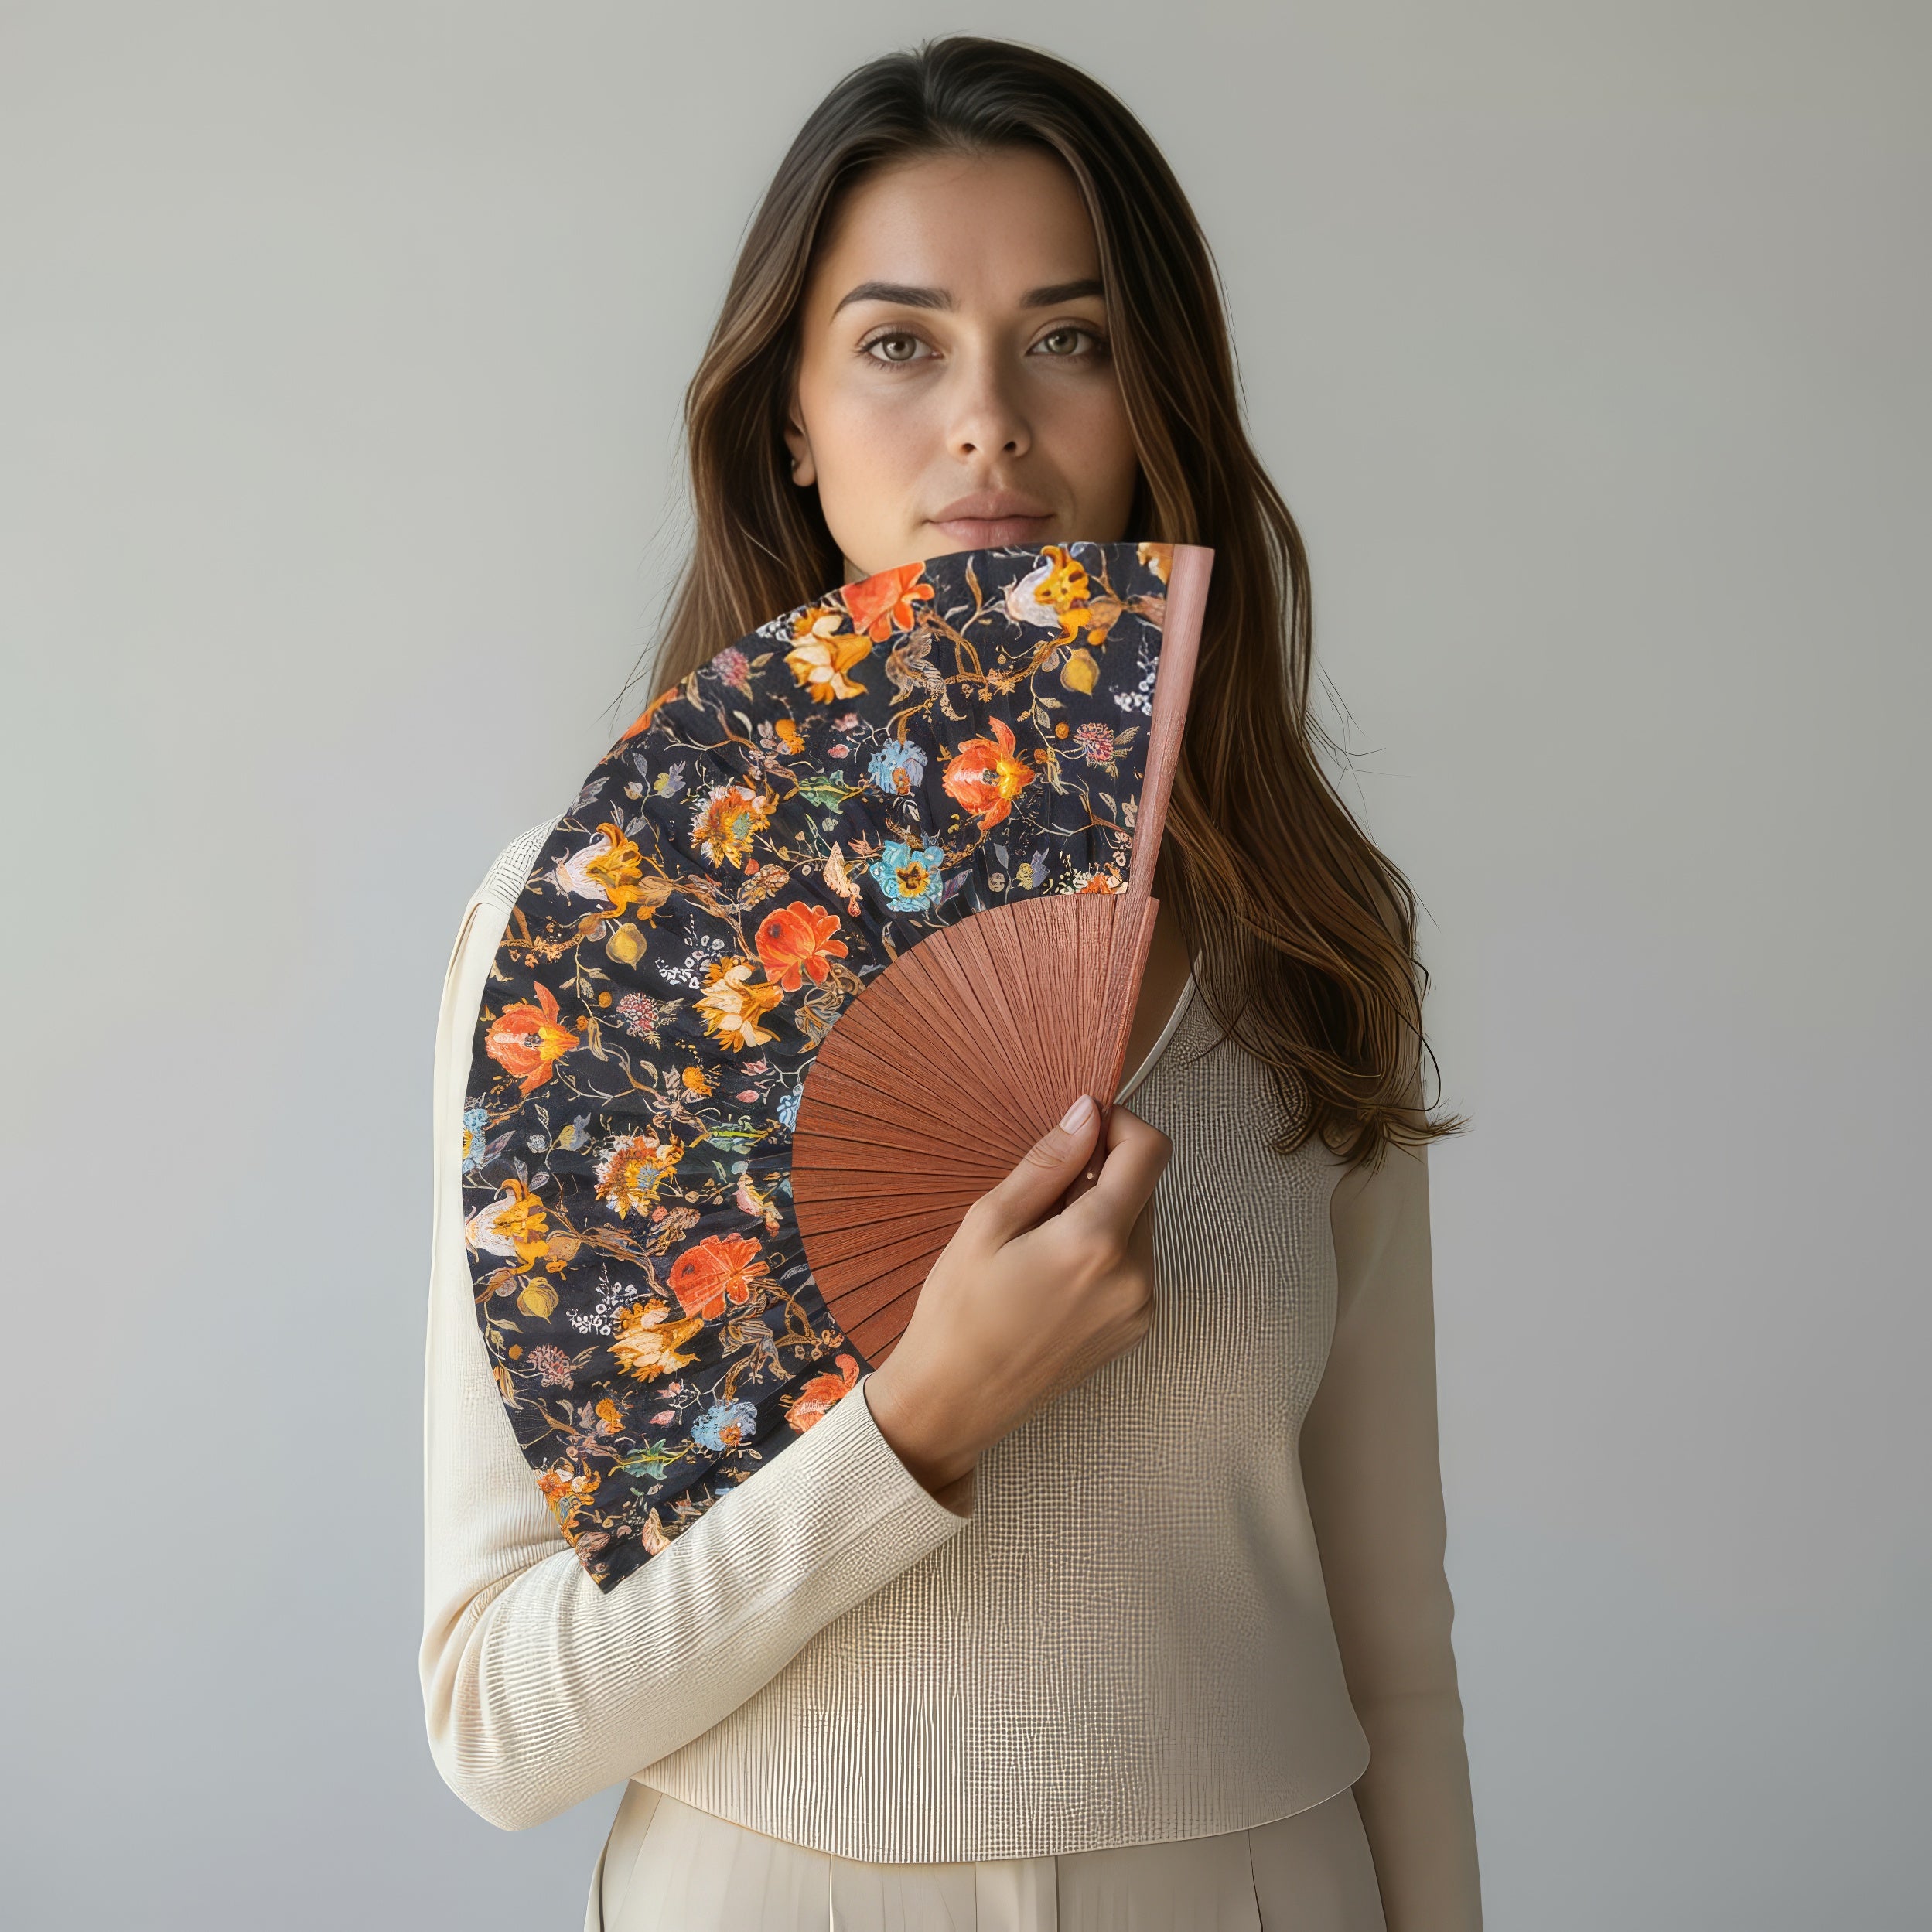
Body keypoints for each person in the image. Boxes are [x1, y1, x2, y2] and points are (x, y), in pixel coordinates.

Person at [420, 35, 1483, 1932]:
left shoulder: (1313, 946)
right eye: (899, 345)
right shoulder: (587, 949)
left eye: (1068, 339)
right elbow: (500, 1721)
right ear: (790, 421)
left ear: (1156, 400)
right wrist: (919, 1420)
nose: (988, 421)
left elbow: (1394, 1650)